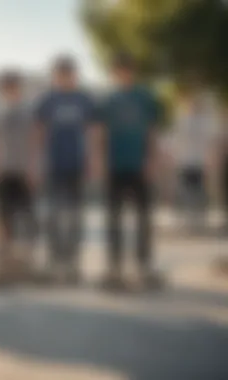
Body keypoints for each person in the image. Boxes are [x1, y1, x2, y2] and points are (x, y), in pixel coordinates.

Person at [99, 52, 162, 290]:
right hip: (115, 165)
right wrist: (100, 161)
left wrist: (152, 160)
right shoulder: (108, 100)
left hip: (140, 165)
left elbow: (152, 130)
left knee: (143, 217)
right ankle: (114, 267)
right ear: (114, 73)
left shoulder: (145, 97)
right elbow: (100, 133)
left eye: (127, 69)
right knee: (114, 218)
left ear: (132, 71)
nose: (123, 73)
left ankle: (143, 265)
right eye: (119, 69)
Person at [33, 56, 97, 283]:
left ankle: (72, 262)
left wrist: (93, 162)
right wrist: (38, 163)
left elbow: (92, 133)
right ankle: (55, 261)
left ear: (74, 75)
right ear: (55, 75)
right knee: (54, 214)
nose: (65, 77)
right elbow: (39, 134)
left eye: (68, 73)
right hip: (54, 165)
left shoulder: (84, 100)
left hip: (77, 164)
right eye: (60, 74)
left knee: (75, 215)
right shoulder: (48, 100)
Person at [0, 71, 37, 278]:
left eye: (15, 86)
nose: (12, 90)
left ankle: (26, 261)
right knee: (3, 218)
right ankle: (5, 262)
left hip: (23, 171)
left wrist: (33, 168)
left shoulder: (28, 112)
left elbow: (35, 142)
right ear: (3, 89)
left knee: (26, 216)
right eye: (8, 87)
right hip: (3, 171)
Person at [172, 91, 219, 233]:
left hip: (200, 162)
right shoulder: (182, 120)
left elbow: (210, 142)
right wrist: (176, 158)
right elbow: (176, 141)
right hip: (185, 161)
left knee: (200, 191)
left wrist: (211, 160)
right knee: (186, 191)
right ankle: (188, 220)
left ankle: (199, 220)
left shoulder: (205, 122)